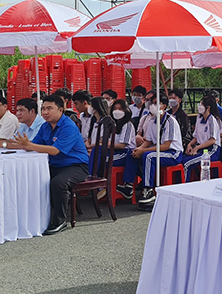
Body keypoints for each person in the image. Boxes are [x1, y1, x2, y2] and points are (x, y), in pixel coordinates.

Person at [13, 95, 90, 236]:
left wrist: (29, 145)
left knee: (58, 183)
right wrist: (24, 145)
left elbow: (55, 150)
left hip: (76, 166)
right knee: (32, 177)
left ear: (60, 110)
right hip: (54, 165)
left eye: (49, 108)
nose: (45, 112)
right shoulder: (45, 126)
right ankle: (34, 218)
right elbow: (36, 145)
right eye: (43, 109)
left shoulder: (68, 126)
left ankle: (60, 221)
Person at [122, 91, 184, 208]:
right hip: (157, 150)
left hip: (172, 153)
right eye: (152, 103)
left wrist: (143, 151)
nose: (153, 106)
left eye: (156, 103)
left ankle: (148, 190)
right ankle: (129, 186)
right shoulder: (152, 121)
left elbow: (166, 145)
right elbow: (148, 141)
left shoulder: (170, 121)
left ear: (164, 106)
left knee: (149, 156)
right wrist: (139, 149)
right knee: (132, 153)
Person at [183, 96, 222, 178]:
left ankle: (184, 186)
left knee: (187, 164)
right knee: (182, 159)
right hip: (201, 149)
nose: (199, 107)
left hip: (211, 150)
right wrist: (190, 145)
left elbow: (212, 140)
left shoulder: (212, 120)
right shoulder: (199, 118)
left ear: (208, 108)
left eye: (201, 105)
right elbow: (196, 137)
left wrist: (196, 148)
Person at [109, 99, 136, 177]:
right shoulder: (112, 124)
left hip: (125, 153)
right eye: (115, 109)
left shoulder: (128, 125)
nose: (117, 111)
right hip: (114, 151)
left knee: (101, 161)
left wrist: (107, 145)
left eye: (120, 109)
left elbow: (122, 145)